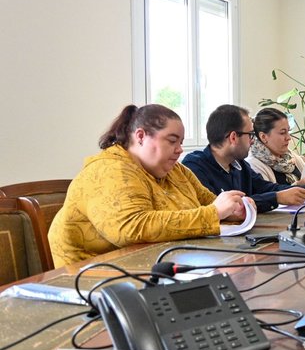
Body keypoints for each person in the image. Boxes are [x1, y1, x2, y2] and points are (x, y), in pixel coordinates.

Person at [49, 104, 246, 267]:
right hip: (94, 280)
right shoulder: (109, 170)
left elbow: (210, 201)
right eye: (172, 141)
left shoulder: (175, 170)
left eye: (181, 142)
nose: (179, 150)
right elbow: (131, 228)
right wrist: (214, 213)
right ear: (141, 136)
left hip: (154, 265)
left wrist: (233, 210)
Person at [183, 104, 305, 213]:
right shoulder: (195, 166)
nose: (253, 140)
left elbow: (266, 187)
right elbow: (223, 208)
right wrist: (276, 198)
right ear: (233, 137)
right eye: (251, 134)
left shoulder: (239, 165)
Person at [246, 107, 305, 187]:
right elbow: (268, 196)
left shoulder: (291, 156)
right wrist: (299, 186)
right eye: (282, 133)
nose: (288, 137)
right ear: (263, 137)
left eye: (288, 131)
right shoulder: (253, 165)